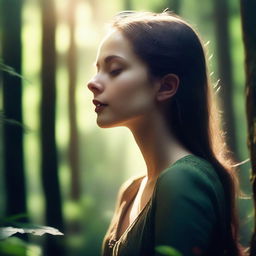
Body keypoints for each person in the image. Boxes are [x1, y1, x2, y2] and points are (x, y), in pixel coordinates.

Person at [87, 11, 246, 256]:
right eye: (97, 69)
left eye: (115, 69)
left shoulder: (183, 180)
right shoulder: (131, 190)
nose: (93, 82)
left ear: (166, 86)